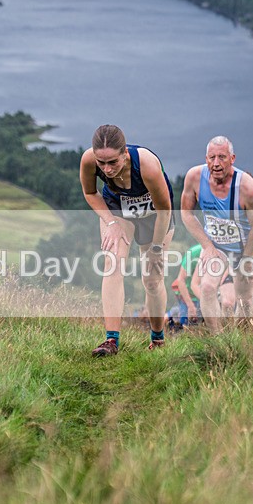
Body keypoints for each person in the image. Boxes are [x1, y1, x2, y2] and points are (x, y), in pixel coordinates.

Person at [80, 124, 174, 357]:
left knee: (151, 279)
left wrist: (156, 249)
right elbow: (90, 193)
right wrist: (110, 222)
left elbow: (165, 210)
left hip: (155, 215)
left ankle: (157, 338)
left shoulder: (147, 165)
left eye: (113, 162)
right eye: (101, 163)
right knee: (112, 263)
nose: (107, 169)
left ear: (124, 153)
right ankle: (111, 341)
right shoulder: (89, 160)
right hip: (118, 210)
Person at [180, 135, 253, 332]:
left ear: (232, 159)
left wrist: (246, 260)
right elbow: (186, 213)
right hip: (216, 246)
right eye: (212, 158)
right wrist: (207, 246)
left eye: (222, 157)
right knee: (207, 287)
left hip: (245, 247)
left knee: (244, 298)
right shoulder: (194, 177)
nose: (216, 163)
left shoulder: (248, 188)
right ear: (206, 158)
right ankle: (217, 339)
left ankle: (242, 340)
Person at [170, 243, 203, 327]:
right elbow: (181, 280)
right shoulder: (193, 253)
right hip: (188, 294)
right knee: (186, 323)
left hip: (205, 294)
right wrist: (190, 306)